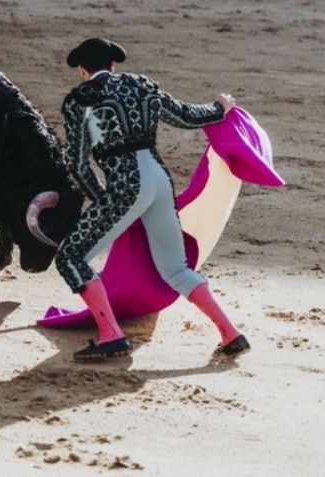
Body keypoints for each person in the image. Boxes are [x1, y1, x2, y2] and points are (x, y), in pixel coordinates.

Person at [55, 37, 250, 361]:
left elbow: (77, 162)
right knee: (175, 268)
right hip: (159, 179)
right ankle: (231, 333)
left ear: (82, 70)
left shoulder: (81, 98)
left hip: (126, 182)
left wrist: (102, 199)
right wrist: (219, 108)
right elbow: (187, 116)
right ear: (113, 65)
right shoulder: (141, 85)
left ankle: (111, 335)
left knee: (70, 257)